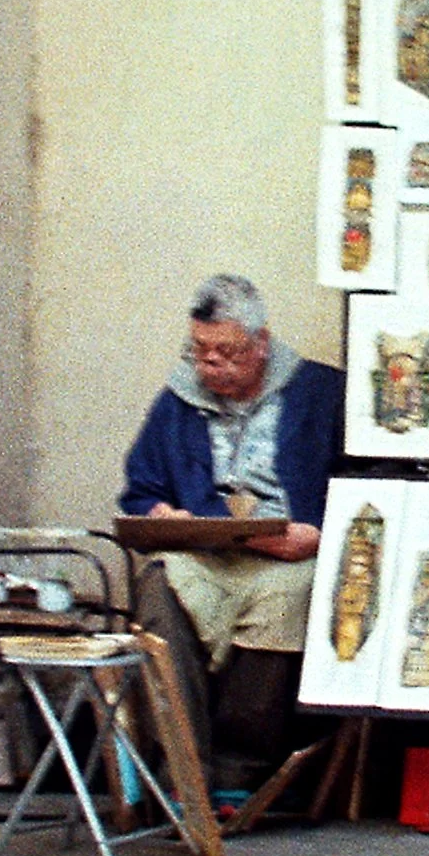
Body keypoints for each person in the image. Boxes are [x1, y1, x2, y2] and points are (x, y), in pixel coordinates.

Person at [119, 275, 344, 801]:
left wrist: (320, 533)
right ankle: (180, 772)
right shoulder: (177, 400)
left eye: (227, 352)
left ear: (261, 343)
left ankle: (236, 775)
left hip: (285, 554)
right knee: (159, 589)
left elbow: (367, 485)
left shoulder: (320, 392)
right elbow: (139, 491)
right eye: (200, 351)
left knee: (290, 597)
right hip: (203, 553)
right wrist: (161, 514)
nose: (211, 365)